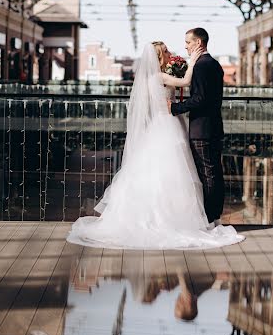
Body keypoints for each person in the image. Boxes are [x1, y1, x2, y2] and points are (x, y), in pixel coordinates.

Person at [67, 40, 243, 250]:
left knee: (161, 172)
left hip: (162, 124)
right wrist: (193, 60)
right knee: (174, 172)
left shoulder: (153, 77)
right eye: (166, 51)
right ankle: (174, 220)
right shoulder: (158, 76)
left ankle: (162, 218)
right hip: (168, 124)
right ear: (159, 56)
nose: (170, 52)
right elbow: (186, 82)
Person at [168, 28, 225, 226]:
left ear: (199, 43)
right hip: (214, 126)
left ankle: (210, 218)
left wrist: (175, 108)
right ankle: (215, 215)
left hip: (202, 129)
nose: (186, 46)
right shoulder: (214, 64)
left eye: (188, 42)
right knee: (215, 171)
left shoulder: (201, 66)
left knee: (207, 173)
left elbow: (199, 99)